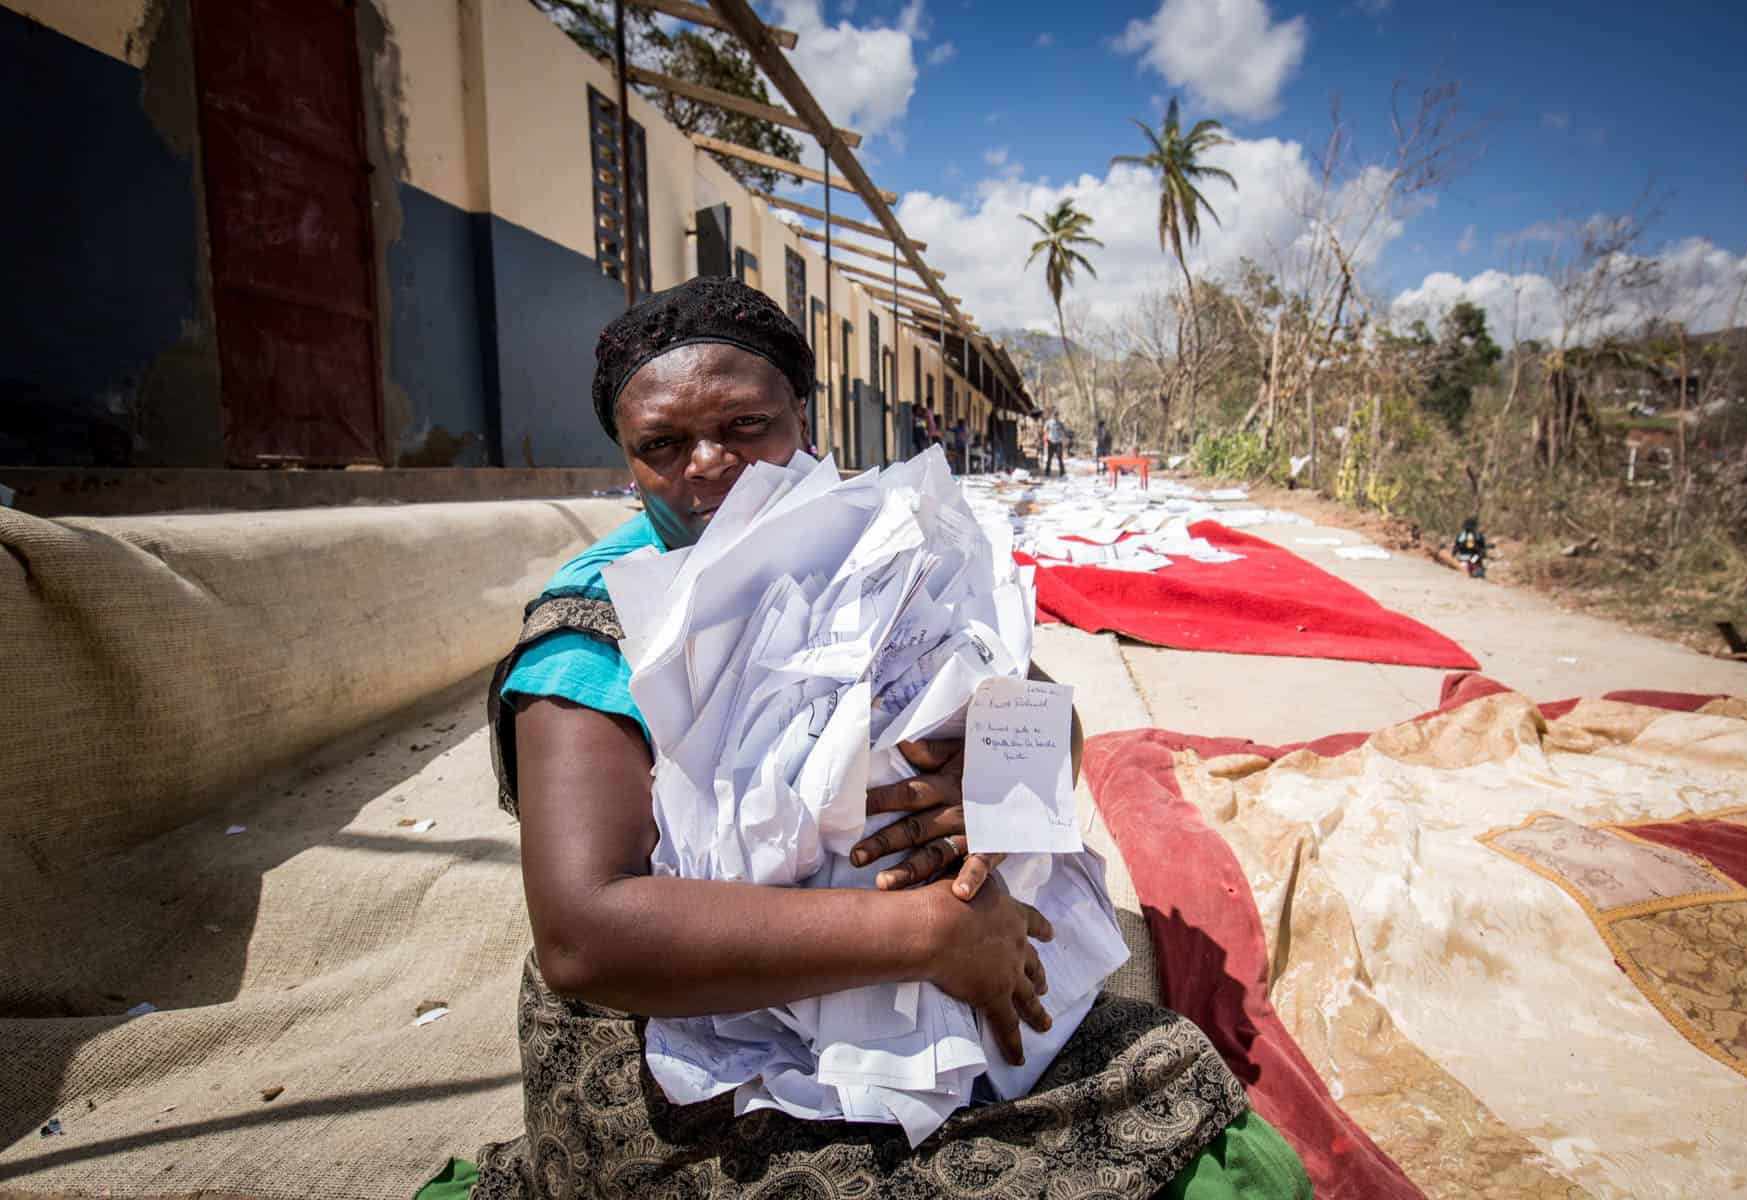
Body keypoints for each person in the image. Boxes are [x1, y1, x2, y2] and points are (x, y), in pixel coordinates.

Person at [452, 277, 1308, 1200]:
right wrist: (921, 933)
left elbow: (1042, 709)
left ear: (803, 419)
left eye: (745, 426)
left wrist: (1001, 768)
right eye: (661, 445)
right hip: (692, 1034)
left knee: (1233, 1157)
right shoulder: (595, 634)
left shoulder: (881, 543)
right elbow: (586, 936)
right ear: (629, 458)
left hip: (940, 985)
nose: (707, 464)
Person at [1042, 411, 1067, 477]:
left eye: (1056, 415)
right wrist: (1046, 439)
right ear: (1052, 416)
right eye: (1054, 415)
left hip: (1058, 442)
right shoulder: (1048, 422)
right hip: (1051, 442)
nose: (1055, 416)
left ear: (1058, 416)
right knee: (1049, 457)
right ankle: (1047, 472)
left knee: (1059, 457)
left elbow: (1064, 431)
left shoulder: (1060, 423)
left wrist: (1064, 438)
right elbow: (1044, 430)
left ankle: (1062, 472)